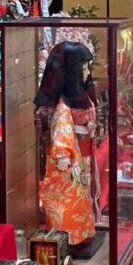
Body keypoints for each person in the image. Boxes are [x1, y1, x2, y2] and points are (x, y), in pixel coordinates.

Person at [35, 41, 98, 246]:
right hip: (69, 154)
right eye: (84, 67)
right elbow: (62, 126)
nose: (87, 71)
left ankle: (79, 233)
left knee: (81, 193)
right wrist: (62, 152)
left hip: (83, 150)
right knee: (67, 195)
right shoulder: (63, 103)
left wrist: (91, 126)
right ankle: (65, 236)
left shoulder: (81, 93)